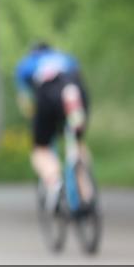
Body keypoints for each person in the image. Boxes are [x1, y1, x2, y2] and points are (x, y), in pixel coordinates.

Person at [14, 42, 92, 211]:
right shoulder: (66, 58)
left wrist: (32, 116)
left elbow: (25, 100)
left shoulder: (27, 64)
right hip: (75, 93)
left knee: (40, 149)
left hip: (47, 95)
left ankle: (55, 183)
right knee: (77, 141)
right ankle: (86, 193)